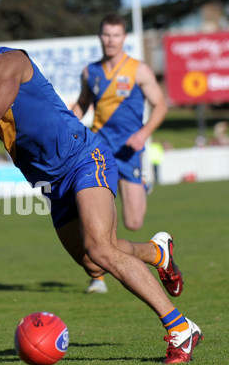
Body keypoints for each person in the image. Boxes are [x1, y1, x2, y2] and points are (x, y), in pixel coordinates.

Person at [0, 4, 199, 365]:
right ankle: (158, 254)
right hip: (50, 183)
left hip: (82, 159)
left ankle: (180, 328)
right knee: (95, 263)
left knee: (101, 248)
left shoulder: (10, 62)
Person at [72, 14, 168, 237]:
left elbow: (161, 105)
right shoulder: (90, 72)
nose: (111, 40)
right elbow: (82, 104)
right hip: (99, 148)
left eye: (116, 35)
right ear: (100, 36)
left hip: (128, 149)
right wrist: (67, 125)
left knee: (134, 223)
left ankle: (142, 185)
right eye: (106, 34)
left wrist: (143, 135)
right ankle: (98, 268)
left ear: (124, 37)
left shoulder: (138, 70)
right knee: (99, 224)